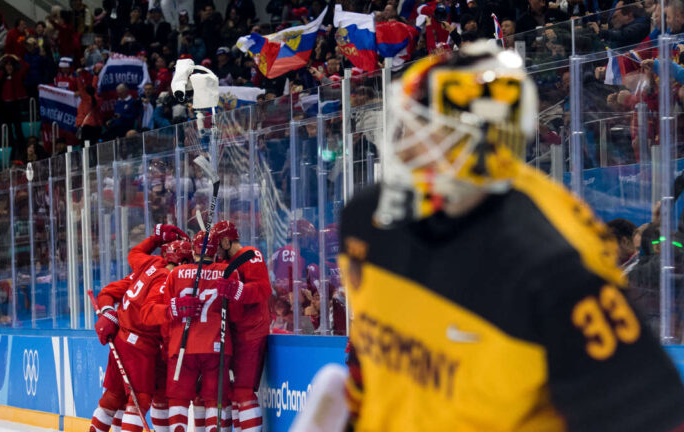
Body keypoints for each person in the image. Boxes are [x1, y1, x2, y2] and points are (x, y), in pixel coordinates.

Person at [305, 42, 684, 431]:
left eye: (420, 126)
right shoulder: (367, 217)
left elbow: (649, 413)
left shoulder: (558, 261)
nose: (402, 145)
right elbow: (378, 358)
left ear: (471, 142)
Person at [91, 224, 189, 432]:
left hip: (122, 339)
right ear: (183, 262)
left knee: (113, 396)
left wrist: (155, 239)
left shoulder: (151, 263)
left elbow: (134, 253)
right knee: (140, 399)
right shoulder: (167, 280)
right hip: (139, 345)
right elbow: (149, 313)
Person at [142, 229, 240, 431]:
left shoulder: (175, 274)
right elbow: (236, 313)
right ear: (216, 251)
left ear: (194, 252)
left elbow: (165, 312)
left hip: (182, 345)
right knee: (215, 399)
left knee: (179, 399)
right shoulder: (229, 272)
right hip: (216, 345)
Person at [210, 220, 271, 432]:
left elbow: (263, 289)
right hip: (233, 334)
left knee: (243, 391)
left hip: (252, 333)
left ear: (227, 241)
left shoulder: (250, 254)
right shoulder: (224, 262)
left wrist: (237, 290)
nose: (216, 251)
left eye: (218, 245)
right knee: (232, 392)